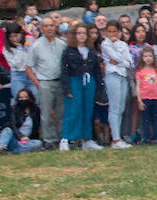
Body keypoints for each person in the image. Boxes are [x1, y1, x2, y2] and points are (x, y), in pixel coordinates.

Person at [25, 16, 67, 150]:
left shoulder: (62, 44)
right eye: (46, 26)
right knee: (46, 114)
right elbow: (28, 67)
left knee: (62, 112)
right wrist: (37, 83)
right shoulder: (36, 46)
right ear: (42, 28)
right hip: (45, 82)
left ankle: (62, 138)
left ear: (55, 27)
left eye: (51, 26)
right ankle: (49, 140)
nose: (49, 28)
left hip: (60, 82)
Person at [60, 24, 102, 151]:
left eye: (84, 33)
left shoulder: (91, 51)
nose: (82, 35)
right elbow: (64, 71)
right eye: (79, 33)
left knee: (87, 111)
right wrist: (67, 89)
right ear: (74, 35)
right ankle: (65, 139)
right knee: (73, 110)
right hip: (74, 81)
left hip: (89, 82)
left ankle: (86, 139)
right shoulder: (69, 51)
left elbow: (97, 71)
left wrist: (99, 87)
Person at [99, 21, 134, 149]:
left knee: (120, 107)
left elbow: (129, 63)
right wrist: (120, 60)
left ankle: (118, 137)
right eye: (110, 31)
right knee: (114, 107)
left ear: (119, 32)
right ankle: (116, 139)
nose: (112, 34)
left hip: (122, 75)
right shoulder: (105, 44)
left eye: (115, 31)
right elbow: (114, 57)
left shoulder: (123, 44)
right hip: (112, 75)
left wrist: (120, 62)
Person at [135, 46, 157, 145]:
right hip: (145, 98)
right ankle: (146, 138)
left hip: (156, 97)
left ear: (153, 57)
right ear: (142, 58)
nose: (148, 58)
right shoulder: (139, 71)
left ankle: (156, 137)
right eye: (145, 56)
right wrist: (139, 100)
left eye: (150, 56)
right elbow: (138, 86)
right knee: (145, 119)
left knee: (155, 118)